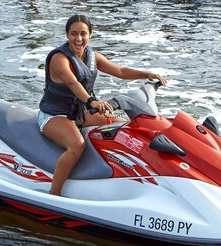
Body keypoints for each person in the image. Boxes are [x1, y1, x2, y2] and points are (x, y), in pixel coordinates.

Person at [39, 14, 167, 196]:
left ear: (90, 35)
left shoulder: (93, 57)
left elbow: (120, 71)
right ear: (67, 35)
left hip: (79, 114)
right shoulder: (59, 59)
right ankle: (54, 193)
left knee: (120, 124)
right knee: (77, 145)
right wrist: (92, 101)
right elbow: (73, 83)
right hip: (55, 116)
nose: (78, 38)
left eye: (83, 34)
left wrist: (147, 74)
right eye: (74, 34)